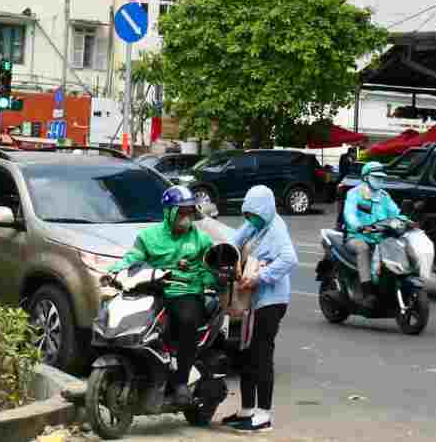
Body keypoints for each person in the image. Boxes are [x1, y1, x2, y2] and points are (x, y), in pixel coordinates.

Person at [106, 185, 214, 406]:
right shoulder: (148, 236)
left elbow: (209, 269)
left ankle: (181, 380)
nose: (186, 217)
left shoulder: (202, 240)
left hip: (184, 292)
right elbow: (132, 258)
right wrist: (114, 271)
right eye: (181, 212)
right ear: (169, 212)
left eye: (189, 212)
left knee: (186, 321)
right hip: (151, 289)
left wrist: (207, 281)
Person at [222, 185, 298, 433]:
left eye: (255, 213)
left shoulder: (276, 229)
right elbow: (234, 241)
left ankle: (264, 415)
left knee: (261, 355)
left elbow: (289, 259)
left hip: (271, 301)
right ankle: (246, 410)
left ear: (266, 209)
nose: (251, 218)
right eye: (248, 214)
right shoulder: (255, 224)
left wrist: (260, 277)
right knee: (245, 353)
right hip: (251, 300)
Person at [340, 163, 404, 302]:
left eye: (381, 178)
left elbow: (396, 213)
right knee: (363, 248)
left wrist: (406, 222)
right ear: (365, 177)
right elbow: (349, 214)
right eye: (376, 177)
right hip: (357, 236)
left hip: (380, 238)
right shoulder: (354, 194)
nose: (380, 181)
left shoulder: (384, 196)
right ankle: (367, 292)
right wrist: (358, 226)